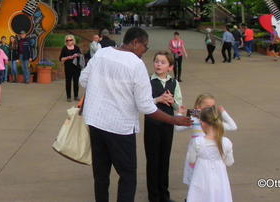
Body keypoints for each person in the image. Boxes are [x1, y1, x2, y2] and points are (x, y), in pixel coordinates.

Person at [79, 27, 192, 202]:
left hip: (96, 123)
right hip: (120, 128)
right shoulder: (135, 64)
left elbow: (83, 80)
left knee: (101, 174)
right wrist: (174, 120)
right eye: (145, 47)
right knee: (127, 175)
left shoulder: (102, 53)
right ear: (135, 43)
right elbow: (146, 106)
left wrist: (103, 88)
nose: (144, 51)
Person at [176, 93, 237, 188]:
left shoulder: (215, 122)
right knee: (194, 180)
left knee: (210, 180)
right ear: (198, 107)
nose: (210, 110)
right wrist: (179, 114)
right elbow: (178, 128)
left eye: (213, 107)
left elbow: (233, 127)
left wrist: (223, 113)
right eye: (207, 106)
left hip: (210, 154)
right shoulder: (193, 118)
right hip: (195, 153)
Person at [144, 51, 182, 202]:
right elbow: (143, 103)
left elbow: (179, 106)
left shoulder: (174, 83)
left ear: (170, 67)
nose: (158, 64)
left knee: (165, 160)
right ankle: (153, 197)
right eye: (156, 61)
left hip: (167, 126)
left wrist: (171, 100)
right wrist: (158, 99)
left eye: (163, 62)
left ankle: (164, 195)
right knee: (153, 161)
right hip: (152, 126)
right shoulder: (147, 81)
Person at [186, 106, 234, 202]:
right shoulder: (226, 142)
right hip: (220, 180)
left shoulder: (197, 142)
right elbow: (229, 162)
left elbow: (191, 160)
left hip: (201, 179)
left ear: (202, 123)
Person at [59, 35, 82, 102]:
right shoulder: (64, 48)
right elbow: (61, 58)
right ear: (66, 41)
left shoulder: (76, 47)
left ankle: (76, 96)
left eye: (70, 40)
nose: (69, 41)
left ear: (73, 40)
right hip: (68, 67)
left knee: (76, 82)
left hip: (76, 67)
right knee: (68, 82)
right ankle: (68, 97)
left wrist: (77, 55)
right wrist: (68, 57)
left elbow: (80, 55)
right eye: (67, 40)